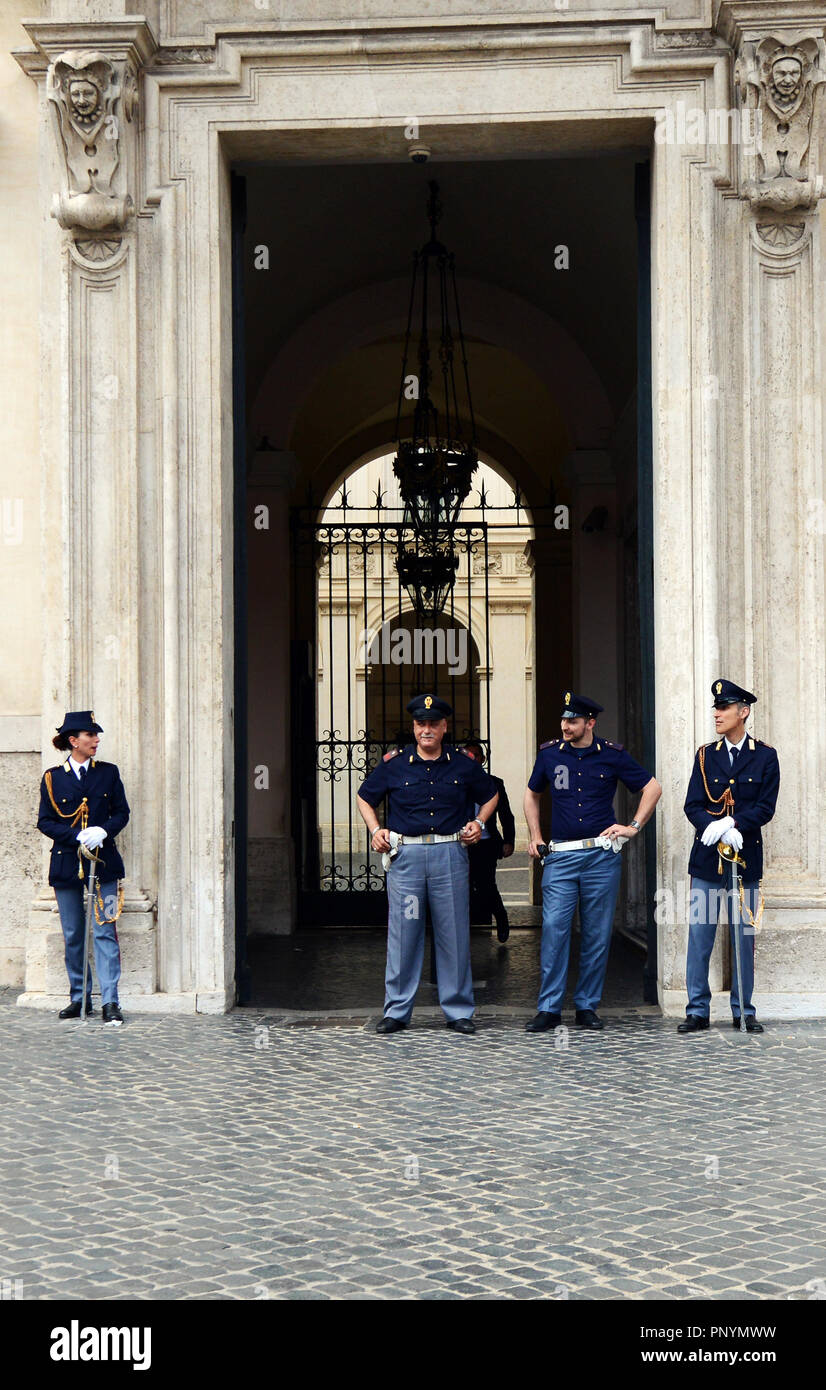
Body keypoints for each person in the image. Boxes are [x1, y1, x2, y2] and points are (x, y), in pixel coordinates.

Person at [356, 694, 498, 1035]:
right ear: (414, 727)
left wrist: (479, 822)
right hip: (407, 859)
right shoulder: (395, 764)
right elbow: (364, 796)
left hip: (449, 855)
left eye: (434, 724)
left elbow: (490, 792)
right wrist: (376, 830)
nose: (427, 730)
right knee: (404, 934)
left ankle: (459, 1010)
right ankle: (397, 1011)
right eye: (422, 724)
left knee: (453, 934)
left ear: (445, 727)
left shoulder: (463, 764)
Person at [523, 692, 661, 1032]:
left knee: (597, 934)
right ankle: (550, 1008)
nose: (566, 725)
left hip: (601, 855)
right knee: (555, 930)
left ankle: (586, 1006)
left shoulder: (611, 755)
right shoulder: (549, 754)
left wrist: (632, 827)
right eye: (564, 719)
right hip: (561, 856)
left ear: (590, 723)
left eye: (573, 720)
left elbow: (652, 788)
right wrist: (535, 836)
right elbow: (531, 793)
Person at [679, 679, 780, 1035]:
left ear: (744, 711)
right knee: (700, 937)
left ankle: (744, 1010)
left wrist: (735, 823)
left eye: (724, 708)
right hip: (707, 860)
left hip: (745, 858)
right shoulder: (706, 756)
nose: (717, 714)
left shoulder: (765, 755)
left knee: (744, 937)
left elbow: (766, 807)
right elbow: (693, 804)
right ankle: (697, 1010)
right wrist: (715, 825)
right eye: (716, 708)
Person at [36, 711, 129, 1026]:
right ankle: (79, 997)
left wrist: (104, 830)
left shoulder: (108, 773)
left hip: (105, 865)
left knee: (106, 931)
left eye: (97, 736)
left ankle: (110, 1002)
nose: (96, 740)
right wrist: (76, 835)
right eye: (91, 736)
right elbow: (45, 821)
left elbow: (121, 813)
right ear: (73, 741)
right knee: (74, 933)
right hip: (66, 864)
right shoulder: (53, 777)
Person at [460, 741, 516, 942]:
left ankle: (501, 918)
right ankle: (461, 929)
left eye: (476, 755)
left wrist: (509, 840)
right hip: (459, 844)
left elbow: (506, 815)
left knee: (486, 885)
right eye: (469, 754)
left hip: (486, 843)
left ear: (483, 759)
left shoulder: (494, 783)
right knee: (459, 887)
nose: (473, 758)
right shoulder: (456, 781)